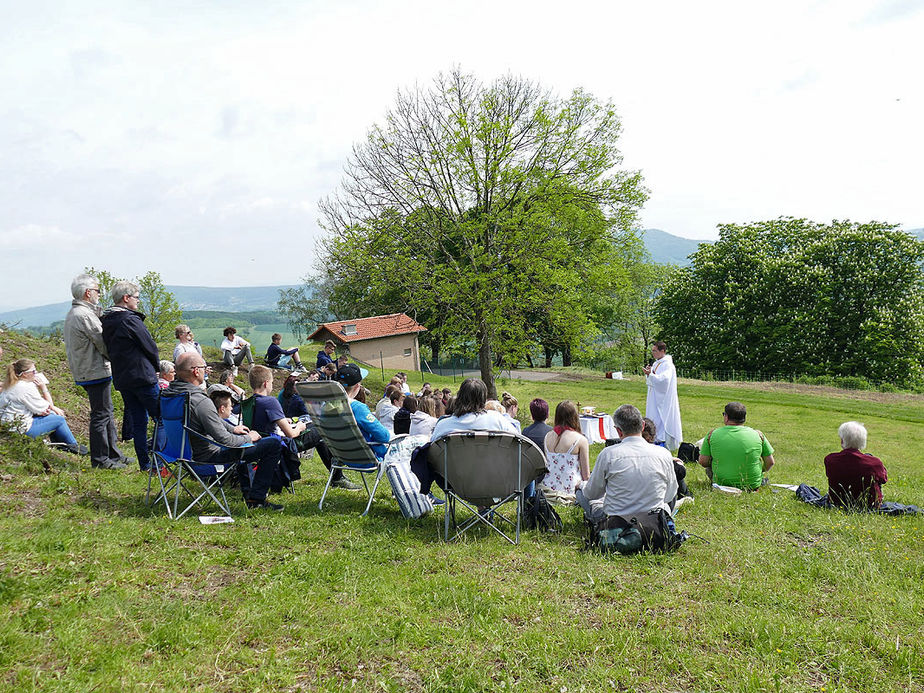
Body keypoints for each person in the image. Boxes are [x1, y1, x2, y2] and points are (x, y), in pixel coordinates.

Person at [169, 353, 284, 510]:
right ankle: (256, 500)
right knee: (274, 444)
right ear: (196, 371)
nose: (206, 371)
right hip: (206, 459)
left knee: (242, 445)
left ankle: (248, 493)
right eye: (204, 368)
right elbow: (227, 441)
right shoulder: (200, 401)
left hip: (178, 455)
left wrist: (233, 428)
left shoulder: (169, 395)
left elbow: (209, 422)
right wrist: (249, 437)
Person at [63, 273, 128, 469]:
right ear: (87, 293)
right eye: (97, 291)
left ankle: (113, 454)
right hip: (94, 370)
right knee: (101, 414)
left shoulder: (76, 313)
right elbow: (102, 342)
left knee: (106, 412)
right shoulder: (84, 315)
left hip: (90, 369)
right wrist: (120, 360)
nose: (99, 295)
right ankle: (100, 460)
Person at [577, 404, 677, 524]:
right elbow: (670, 494)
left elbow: (591, 493)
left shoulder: (608, 454)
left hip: (617, 522)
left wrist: (582, 485)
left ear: (618, 431)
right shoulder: (663, 454)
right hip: (652, 520)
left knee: (580, 493)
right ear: (643, 425)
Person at [101, 280, 161, 471]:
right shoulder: (130, 320)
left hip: (124, 378)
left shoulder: (106, 320)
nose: (138, 301)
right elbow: (149, 346)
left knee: (139, 422)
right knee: (162, 417)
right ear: (126, 298)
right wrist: (156, 367)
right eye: (136, 297)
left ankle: (145, 463)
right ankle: (160, 461)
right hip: (143, 376)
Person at [0, 359, 86, 455]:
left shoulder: (10, 385)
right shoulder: (27, 388)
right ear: (24, 374)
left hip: (7, 426)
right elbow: (47, 408)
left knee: (52, 416)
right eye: (33, 371)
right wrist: (43, 388)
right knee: (58, 419)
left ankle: (62, 445)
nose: (35, 373)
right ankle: (74, 447)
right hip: (19, 430)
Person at [698, 402, 774, 490]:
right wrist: (761, 470)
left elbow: (703, 461)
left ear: (726, 417)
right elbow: (770, 462)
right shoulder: (758, 435)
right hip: (752, 485)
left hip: (722, 484)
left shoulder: (712, 434)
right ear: (744, 418)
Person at [824, 421, 888, 510]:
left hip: (838, 502)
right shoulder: (874, 463)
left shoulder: (830, 459)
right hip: (868, 505)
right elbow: (883, 479)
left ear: (842, 441)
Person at [430, 378, 519, 441]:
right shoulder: (498, 420)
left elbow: (432, 453)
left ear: (459, 397)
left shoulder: (443, 425)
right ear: (484, 399)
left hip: (453, 467)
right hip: (492, 467)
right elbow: (518, 442)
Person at [333, 363, 390, 458]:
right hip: (367, 458)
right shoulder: (357, 408)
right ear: (357, 386)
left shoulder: (327, 406)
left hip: (341, 455)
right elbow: (384, 436)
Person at [540, 401, 590, 504]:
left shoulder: (548, 436)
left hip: (547, 487)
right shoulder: (580, 440)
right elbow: (586, 475)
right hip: (570, 489)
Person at [643, 341, 682, 450]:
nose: (653, 353)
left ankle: (663, 440)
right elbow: (655, 378)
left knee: (661, 418)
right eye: (652, 351)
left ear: (662, 351)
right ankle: (652, 438)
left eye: (655, 351)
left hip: (664, 398)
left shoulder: (667, 364)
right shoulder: (657, 363)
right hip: (654, 396)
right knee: (653, 415)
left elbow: (664, 381)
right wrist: (650, 373)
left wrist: (650, 375)